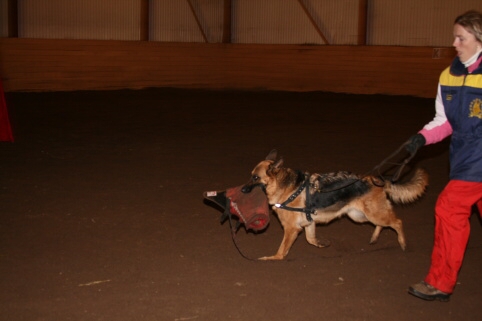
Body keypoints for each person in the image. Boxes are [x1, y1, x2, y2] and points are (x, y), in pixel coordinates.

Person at [404, 10, 482, 302]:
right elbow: (444, 121)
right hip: (464, 158)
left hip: (477, 160)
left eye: (461, 38)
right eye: (454, 37)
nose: (455, 43)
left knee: (449, 210)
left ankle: (440, 282)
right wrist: (421, 138)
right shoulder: (449, 75)